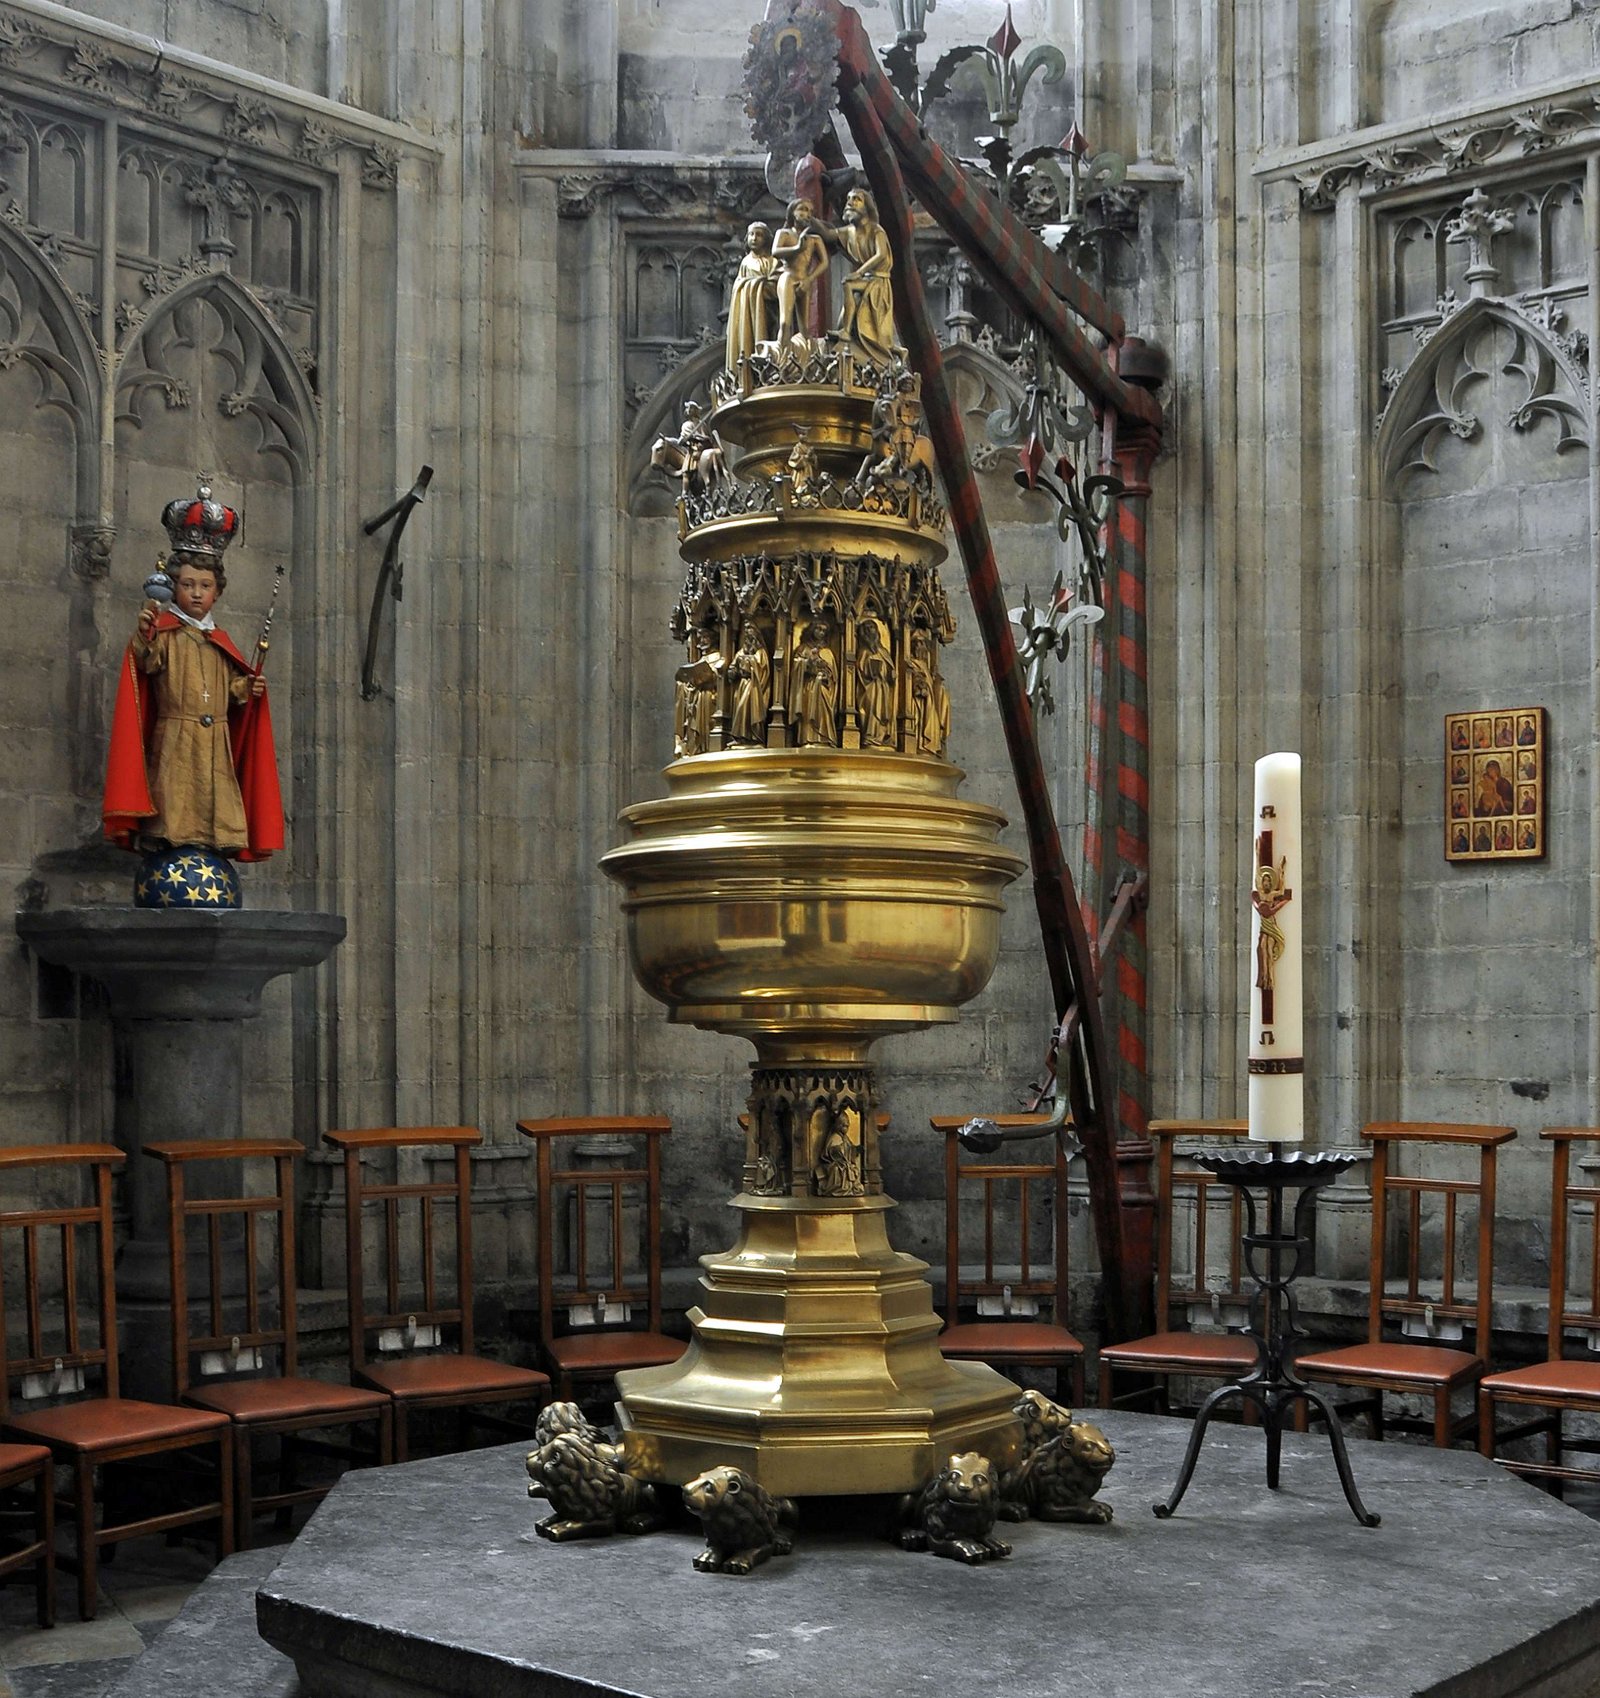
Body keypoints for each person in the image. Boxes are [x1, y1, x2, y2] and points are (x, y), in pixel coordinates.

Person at [102, 482, 283, 860]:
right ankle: (168, 845)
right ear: (174, 587)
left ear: (217, 591)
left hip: (214, 739)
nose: (197, 593)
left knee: (213, 799)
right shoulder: (165, 633)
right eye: (187, 585)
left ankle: (211, 846)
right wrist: (145, 634)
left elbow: (228, 687)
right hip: (176, 737)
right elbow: (146, 663)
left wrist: (245, 688)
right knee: (174, 799)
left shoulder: (220, 640)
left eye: (205, 585)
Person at [831, 188, 897, 366]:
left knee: (849, 285)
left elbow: (881, 255)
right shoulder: (850, 231)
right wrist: (810, 222)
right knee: (849, 286)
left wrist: (859, 272)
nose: (850, 202)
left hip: (878, 281)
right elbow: (829, 234)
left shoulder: (876, 230)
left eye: (856, 199)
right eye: (849, 199)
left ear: (867, 206)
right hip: (867, 279)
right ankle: (845, 331)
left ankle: (846, 330)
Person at [772, 197, 830, 348]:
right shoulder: (784, 234)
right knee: (785, 322)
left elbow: (824, 263)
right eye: (803, 209)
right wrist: (797, 248)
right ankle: (782, 358)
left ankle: (806, 362)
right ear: (792, 213)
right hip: (788, 278)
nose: (807, 214)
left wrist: (809, 279)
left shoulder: (815, 239)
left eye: (810, 211)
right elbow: (775, 252)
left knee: (805, 327)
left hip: (805, 280)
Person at [725, 221, 778, 372]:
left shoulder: (773, 262)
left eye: (759, 235)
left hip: (769, 311)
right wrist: (752, 285)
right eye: (751, 234)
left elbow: (776, 288)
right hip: (747, 312)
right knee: (746, 342)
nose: (754, 238)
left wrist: (760, 286)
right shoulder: (745, 263)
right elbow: (737, 288)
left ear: (767, 239)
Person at [787, 623, 838, 747]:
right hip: (807, 686)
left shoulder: (827, 651)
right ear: (811, 630)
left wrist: (826, 674)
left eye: (824, 631)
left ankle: (824, 737)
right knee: (807, 709)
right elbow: (795, 667)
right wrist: (807, 663)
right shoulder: (803, 648)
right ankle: (807, 739)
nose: (821, 633)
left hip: (822, 687)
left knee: (823, 708)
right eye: (818, 629)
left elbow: (834, 676)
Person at [906, 628, 950, 756]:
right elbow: (910, 678)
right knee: (919, 713)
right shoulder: (911, 663)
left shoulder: (925, 665)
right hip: (917, 701)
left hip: (928, 700)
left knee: (943, 696)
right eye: (916, 643)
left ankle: (931, 742)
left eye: (922, 643)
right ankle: (919, 742)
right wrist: (919, 684)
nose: (919, 646)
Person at [727, 625, 771, 745]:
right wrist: (733, 671)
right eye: (746, 635)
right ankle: (741, 738)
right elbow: (732, 667)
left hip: (754, 685)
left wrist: (748, 661)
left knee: (748, 707)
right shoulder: (741, 652)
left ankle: (754, 737)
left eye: (751, 634)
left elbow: (763, 669)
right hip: (742, 684)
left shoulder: (761, 652)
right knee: (740, 708)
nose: (748, 637)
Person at [855, 620, 895, 748]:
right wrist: (870, 669)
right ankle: (870, 736)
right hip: (869, 686)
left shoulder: (883, 651)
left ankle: (881, 736)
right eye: (866, 628)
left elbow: (891, 671)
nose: (870, 630)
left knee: (883, 710)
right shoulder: (864, 651)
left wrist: (891, 674)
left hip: (883, 687)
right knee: (871, 708)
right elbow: (860, 670)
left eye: (872, 627)